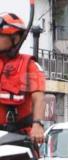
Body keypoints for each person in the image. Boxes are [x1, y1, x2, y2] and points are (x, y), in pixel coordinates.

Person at [0, 13, 46, 144]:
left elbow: (38, 97)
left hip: (17, 137)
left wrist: (37, 124)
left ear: (15, 38)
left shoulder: (29, 65)